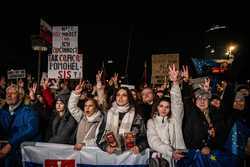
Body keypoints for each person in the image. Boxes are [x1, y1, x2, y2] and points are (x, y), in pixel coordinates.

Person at [147, 64, 186, 167]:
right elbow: (153, 140)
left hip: (175, 157)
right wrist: (169, 152)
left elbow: (177, 103)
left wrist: (175, 83)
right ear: (157, 107)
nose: (164, 109)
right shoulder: (151, 122)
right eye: (161, 106)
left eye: (167, 107)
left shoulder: (174, 119)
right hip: (158, 158)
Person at [96, 87, 148, 154]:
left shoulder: (137, 116)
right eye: (118, 95)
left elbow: (144, 137)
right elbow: (99, 137)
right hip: (111, 155)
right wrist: (105, 147)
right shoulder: (108, 114)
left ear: (129, 98)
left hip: (129, 156)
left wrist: (139, 147)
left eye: (124, 95)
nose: (120, 98)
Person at [0, 84, 40, 167]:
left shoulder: (28, 112)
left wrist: (11, 144)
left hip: (21, 159)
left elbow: (32, 129)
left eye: (13, 93)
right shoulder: (3, 112)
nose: (8, 95)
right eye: (7, 92)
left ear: (20, 96)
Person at [68, 80, 103, 150]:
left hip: (91, 154)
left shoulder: (100, 120)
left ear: (96, 108)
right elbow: (72, 107)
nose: (87, 108)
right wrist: (76, 93)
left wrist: (85, 144)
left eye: (90, 106)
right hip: (78, 151)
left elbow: (100, 139)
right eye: (85, 105)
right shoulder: (82, 117)